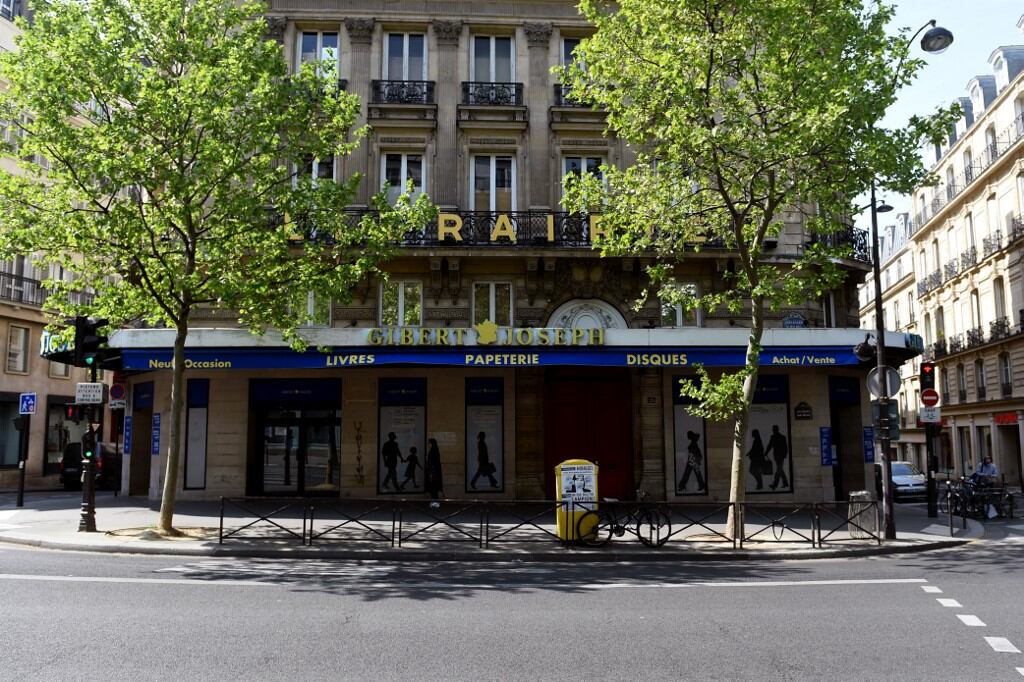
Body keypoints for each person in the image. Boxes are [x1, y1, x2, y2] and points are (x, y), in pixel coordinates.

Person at [765, 424, 789, 490]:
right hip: (778, 456)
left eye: (773, 429)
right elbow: (770, 445)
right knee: (780, 469)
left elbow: (770, 446)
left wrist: (766, 453)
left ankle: (775, 485)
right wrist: (766, 452)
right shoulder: (780, 437)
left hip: (779, 456)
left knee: (779, 469)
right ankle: (785, 483)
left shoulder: (776, 437)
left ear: (775, 430)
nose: (773, 430)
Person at [424, 438, 444, 504]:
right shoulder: (434, 451)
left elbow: (433, 462)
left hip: (433, 472)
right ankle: (434, 501)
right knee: (433, 487)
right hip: (433, 472)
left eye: (429, 443)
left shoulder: (433, 451)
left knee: (433, 487)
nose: (428, 444)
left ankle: (435, 502)